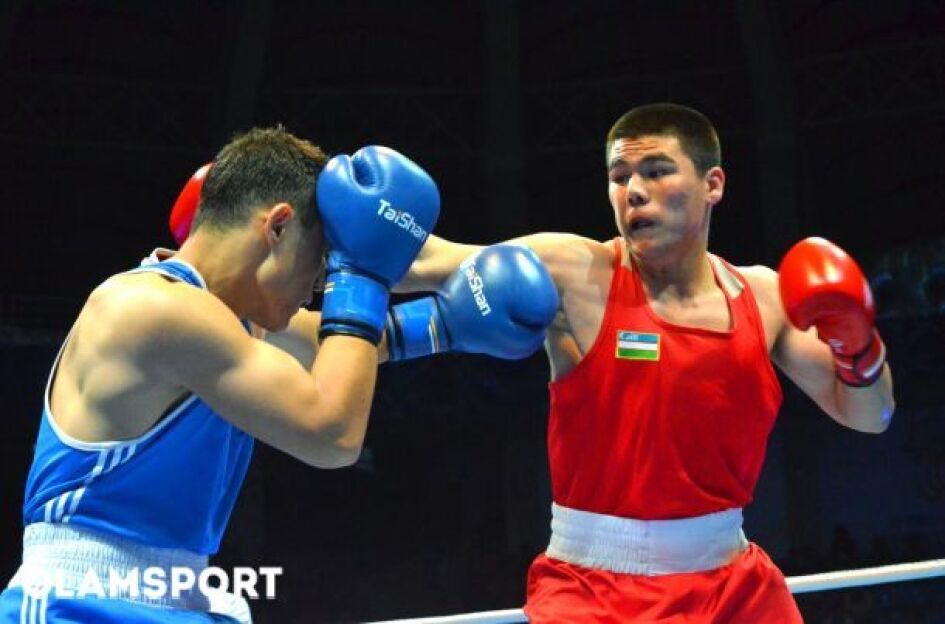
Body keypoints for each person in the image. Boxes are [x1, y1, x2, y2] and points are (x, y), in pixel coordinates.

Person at [397, 102, 896, 622]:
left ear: (713, 185)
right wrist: (346, 230)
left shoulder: (764, 297)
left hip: (735, 591)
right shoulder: (578, 272)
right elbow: (428, 261)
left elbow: (870, 415)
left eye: (656, 171)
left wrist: (859, 345)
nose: (633, 190)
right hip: (594, 593)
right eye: (620, 177)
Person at [0, 127, 443, 623]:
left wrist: (453, 316)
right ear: (277, 227)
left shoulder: (227, 323)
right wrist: (361, 275)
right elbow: (332, 432)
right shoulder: (153, 309)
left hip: (176, 596)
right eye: (321, 269)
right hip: (80, 602)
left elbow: (341, 341)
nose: (318, 289)